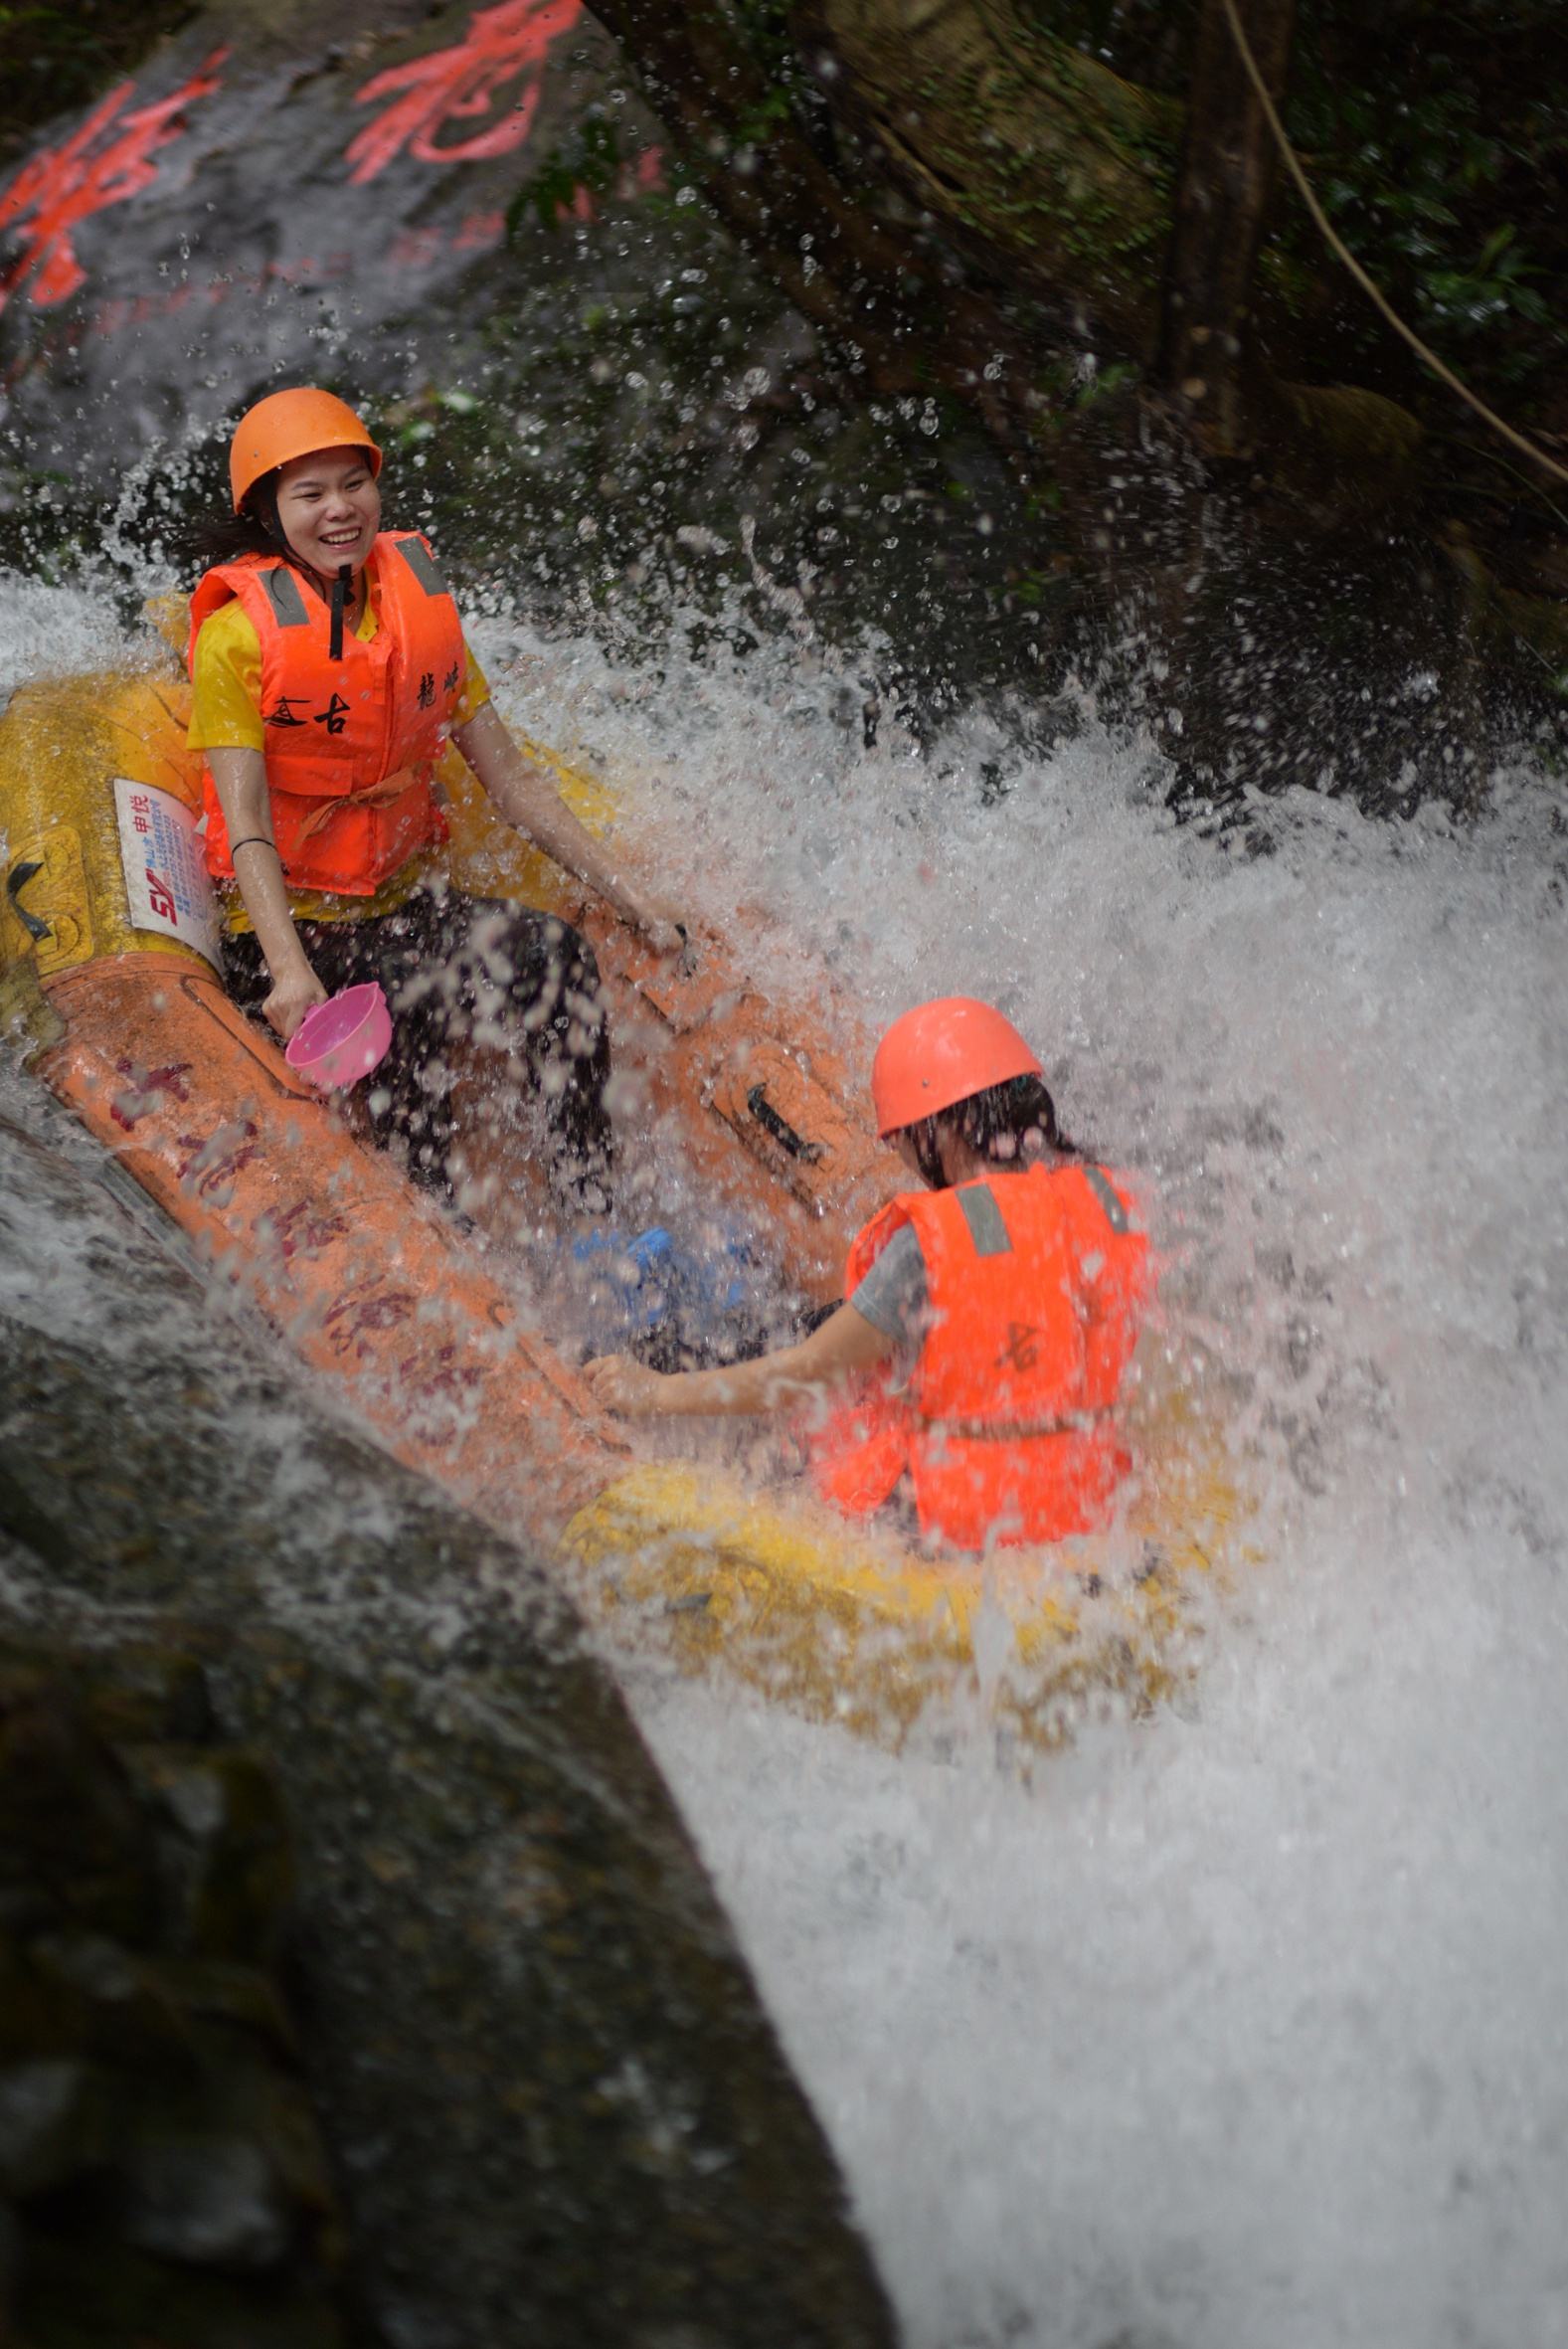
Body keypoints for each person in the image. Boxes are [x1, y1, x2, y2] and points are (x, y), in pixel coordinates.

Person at [187, 384, 678, 1229]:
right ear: (268, 515)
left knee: (554, 956)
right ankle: (448, 1250)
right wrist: (290, 970)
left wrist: (630, 895)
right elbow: (246, 825)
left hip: (399, 905)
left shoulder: (418, 606)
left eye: (354, 483)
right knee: (406, 1023)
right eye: (309, 494)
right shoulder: (238, 638)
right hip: (294, 928)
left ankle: (598, 1217)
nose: (339, 510)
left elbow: (512, 782)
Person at [585, 997, 1153, 1551]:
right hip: (1080, 1496)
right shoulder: (1108, 1203)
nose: (904, 1157)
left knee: (801, 1428)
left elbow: (802, 1372)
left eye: (904, 1140)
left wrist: (656, 1391)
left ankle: (655, 1362)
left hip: (953, 1523)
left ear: (945, 1131)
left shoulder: (929, 1249)